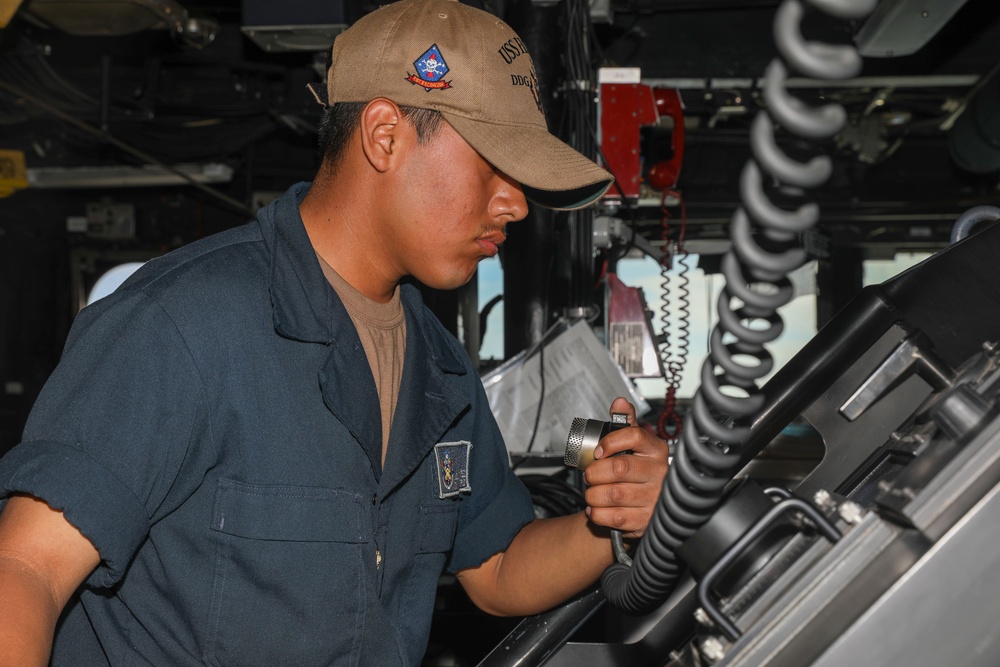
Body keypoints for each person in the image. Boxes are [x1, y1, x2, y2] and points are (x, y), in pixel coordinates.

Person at [0, 0, 670, 664]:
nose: (517, 203)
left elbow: (496, 566)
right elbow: (25, 569)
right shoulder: (181, 326)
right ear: (384, 135)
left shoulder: (441, 369)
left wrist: (612, 516)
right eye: (494, 164)